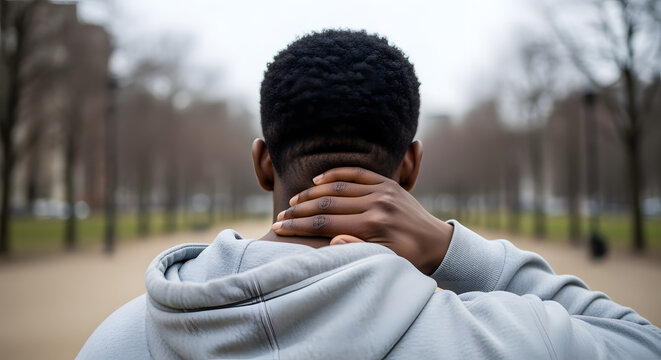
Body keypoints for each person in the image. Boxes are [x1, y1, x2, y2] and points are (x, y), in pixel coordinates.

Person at [78, 29, 661, 359]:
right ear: (410, 168)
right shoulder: (508, 338)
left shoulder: (121, 340)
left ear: (262, 163)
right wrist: (447, 247)